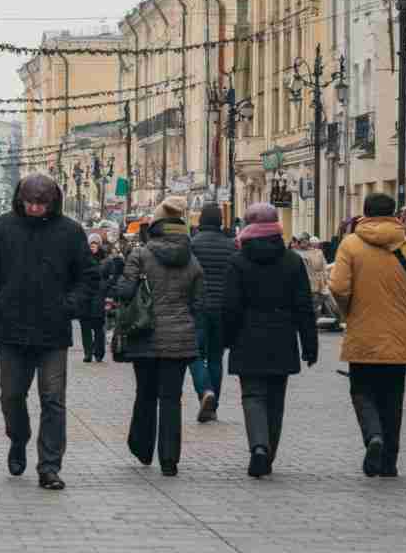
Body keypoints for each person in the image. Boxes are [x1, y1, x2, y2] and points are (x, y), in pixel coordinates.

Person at [0, 174, 96, 491]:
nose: (36, 208)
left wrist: (69, 306)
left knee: (53, 399)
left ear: (53, 202)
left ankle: (49, 467)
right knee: (12, 396)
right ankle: (18, 438)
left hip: (53, 332)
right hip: (11, 330)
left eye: (42, 203)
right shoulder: (0, 229)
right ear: (20, 199)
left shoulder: (70, 231)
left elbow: (87, 277)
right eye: (30, 203)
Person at [330, 193, 406, 477]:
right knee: (393, 399)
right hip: (398, 337)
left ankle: (372, 436)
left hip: (362, 334)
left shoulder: (350, 245)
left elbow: (338, 287)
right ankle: (389, 462)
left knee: (361, 391)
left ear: (364, 213)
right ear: (395, 215)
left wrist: (348, 312)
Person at [222, 203, 318, 478]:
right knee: (276, 400)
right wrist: (309, 345)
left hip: (247, 337)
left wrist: (227, 340)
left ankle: (259, 447)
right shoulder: (291, 261)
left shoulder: (238, 261)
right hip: (282, 337)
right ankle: (269, 453)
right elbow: (304, 306)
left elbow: (230, 307)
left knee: (252, 396)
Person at [114, 196, 202, 477]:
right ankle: (169, 459)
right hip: (180, 338)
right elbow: (200, 301)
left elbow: (125, 293)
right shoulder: (191, 258)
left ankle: (142, 446)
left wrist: (122, 280)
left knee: (146, 393)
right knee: (171, 398)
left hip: (145, 334)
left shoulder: (140, 254)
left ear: (154, 226)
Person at [188, 203, 233, 422]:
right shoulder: (231, 246)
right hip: (222, 309)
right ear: (220, 221)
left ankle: (205, 390)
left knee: (194, 353)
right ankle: (213, 406)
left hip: (199, 308)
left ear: (201, 221)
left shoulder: (193, 245)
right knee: (216, 357)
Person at [77, 234, 108, 363]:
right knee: (85, 327)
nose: (93, 246)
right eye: (91, 244)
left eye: (95, 244)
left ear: (99, 245)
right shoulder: (82, 260)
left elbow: (109, 279)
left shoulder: (106, 261)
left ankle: (99, 352)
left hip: (98, 298)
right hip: (84, 298)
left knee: (98, 327)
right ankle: (88, 353)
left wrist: (106, 292)